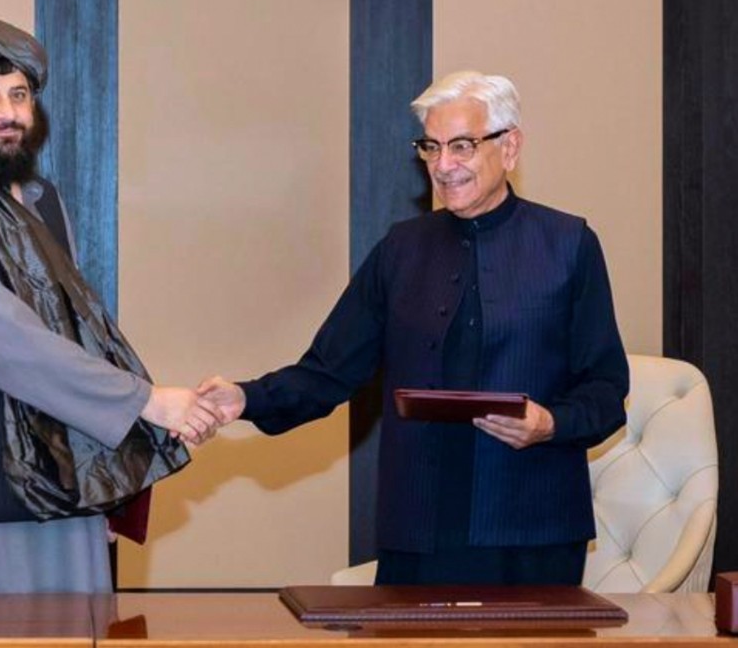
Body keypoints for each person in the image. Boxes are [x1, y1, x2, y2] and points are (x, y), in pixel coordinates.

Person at [199, 71, 629, 585]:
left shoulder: (568, 244)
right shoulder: (401, 249)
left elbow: (606, 390)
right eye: (431, 147)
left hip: (534, 527)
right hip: (419, 527)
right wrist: (245, 399)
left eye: (463, 146)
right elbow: (328, 371)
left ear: (509, 146)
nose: (443, 166)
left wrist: (549, 423)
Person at [0, 20, 221, 594]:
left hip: (68, 493)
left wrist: (109, 477)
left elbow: (76, 335)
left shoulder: (43, 203)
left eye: (19, 96)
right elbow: (11, 344)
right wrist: (147, 402)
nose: (8, 113)